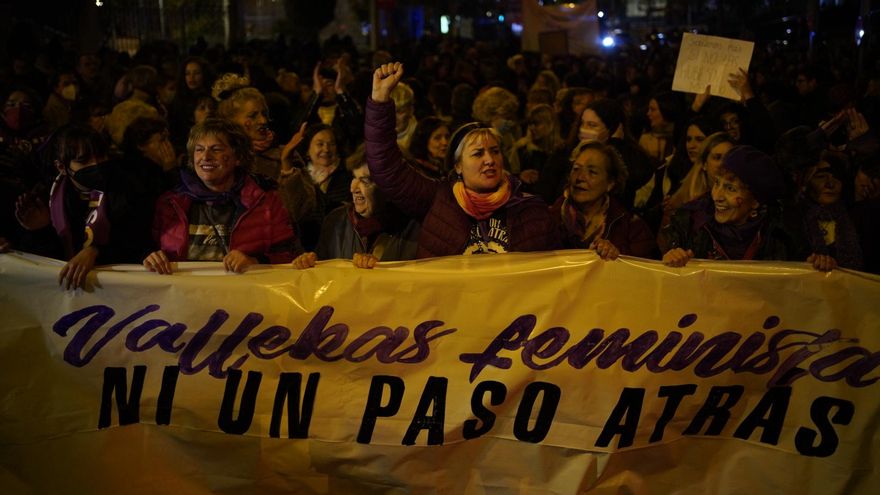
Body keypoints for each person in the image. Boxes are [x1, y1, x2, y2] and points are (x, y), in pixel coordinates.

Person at [365, 62, 559, 258]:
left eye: (495, 151)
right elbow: (387, 169)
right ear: (458, 166)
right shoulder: (437, 200)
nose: (490, 160)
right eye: (478, 153)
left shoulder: (531, 211)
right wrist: (380, 102)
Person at [14, 124, 161, 289]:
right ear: (62, 167)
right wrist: (40, 230)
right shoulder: (45, 198)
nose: (96, 164)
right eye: (83, 160)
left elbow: (136, 242)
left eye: (100, 156)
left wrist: (95, 251)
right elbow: (37, 266)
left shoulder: (127, 188)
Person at [143, 118, 299, 274]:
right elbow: (150, 252)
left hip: (244, 295)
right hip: (185, 296)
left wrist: (255, 261)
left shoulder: (266, 201)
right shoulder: (170, 203)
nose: (206, 156)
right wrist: (153, 257)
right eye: (199, 149)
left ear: (238, 157)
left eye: (216, 149)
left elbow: (289, 255)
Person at [660, 145, 834, 270]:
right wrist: (671, 260)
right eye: (717, 184)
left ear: (756, 201)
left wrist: (819, 266)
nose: (717, 196)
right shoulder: (690, 224)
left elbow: (797, 289)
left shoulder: (783, 234)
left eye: (730, 189)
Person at [292, 145, 419, 269]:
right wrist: (309, 262)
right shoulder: (336, 221)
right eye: (354, 178)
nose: (353, 188)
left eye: (365, 181)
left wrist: (379, 269)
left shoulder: (416, 227)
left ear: (393, 187)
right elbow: (323, 275)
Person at [212, 73, 315, 223]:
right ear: (230, 122)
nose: (263, 120)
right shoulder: (218, 158)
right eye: (253, 116)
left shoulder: (285, 155)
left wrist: (287, 166)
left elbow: (302, 214)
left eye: (264, 114)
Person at [551, 141, 657, 259]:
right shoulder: (548, 219)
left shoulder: (631, 228)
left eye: (592, 172)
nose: (580, 177)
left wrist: (618, 255)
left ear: (610, 183)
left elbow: (646, 269)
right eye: (576, 169)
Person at [796, 153, 863, 270]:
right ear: (806, 180)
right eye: (821, 176)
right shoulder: (792, 219)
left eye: (837, 177)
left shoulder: (857, 218)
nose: (830, 184)